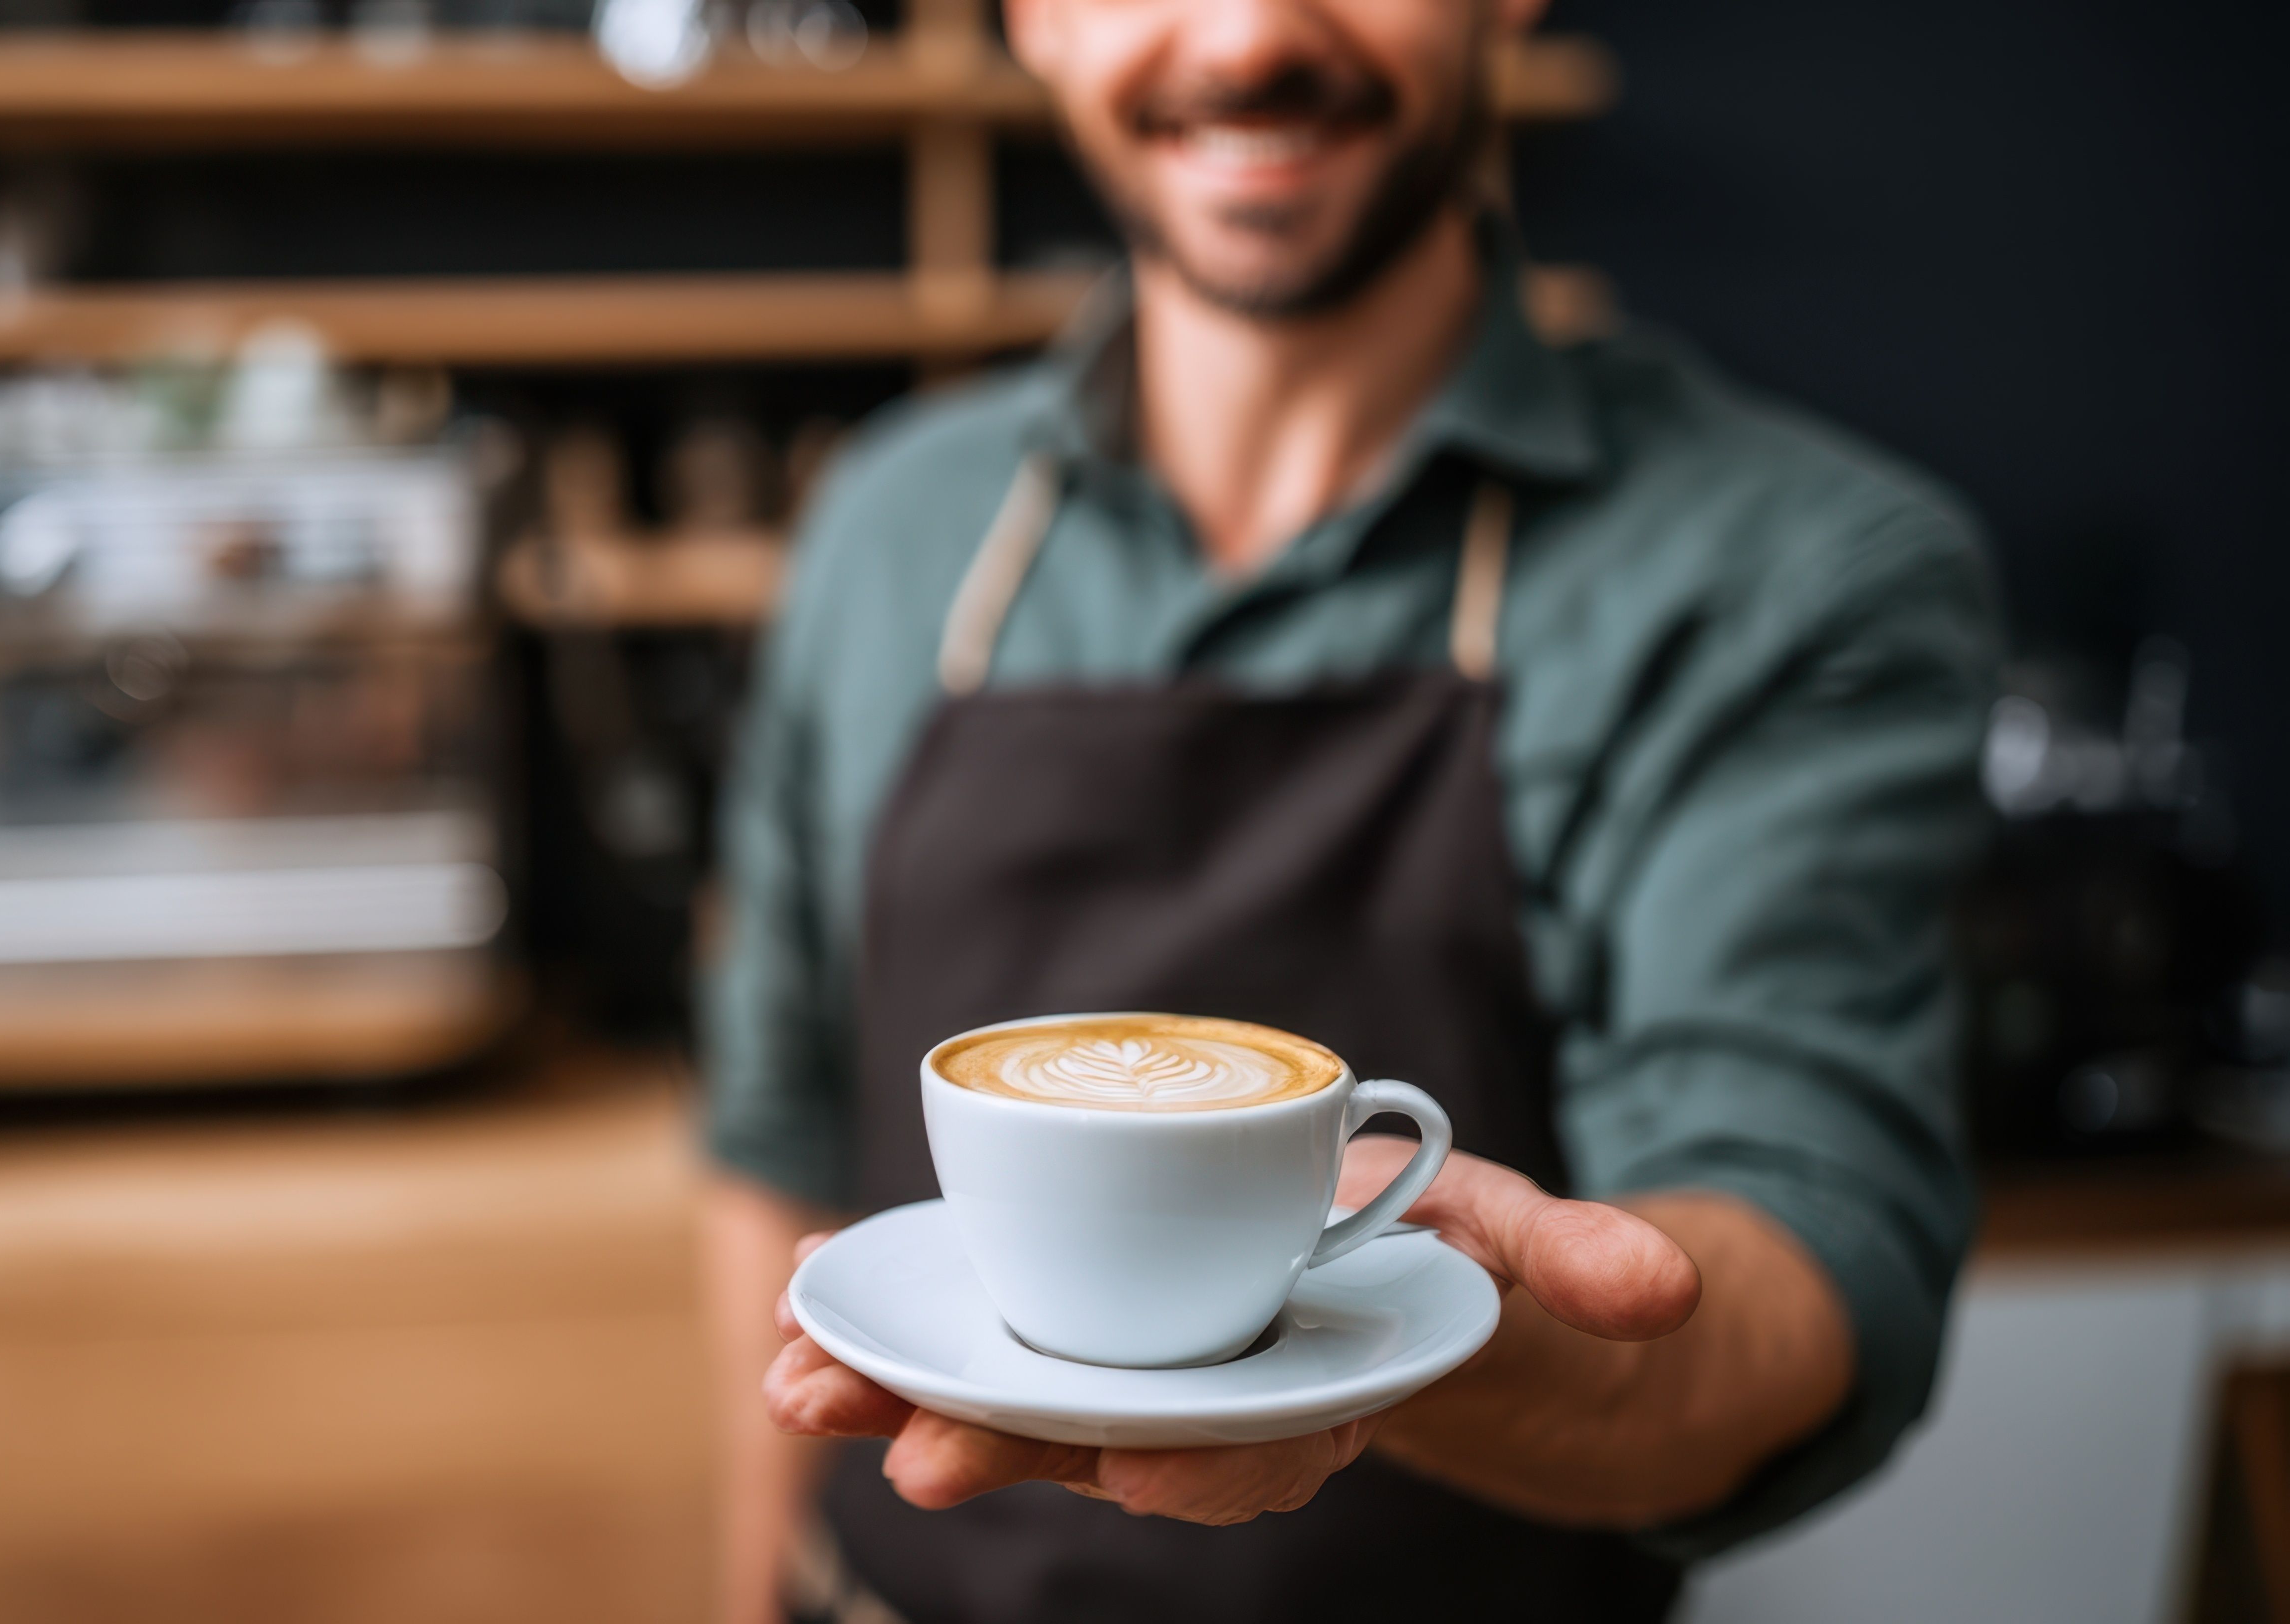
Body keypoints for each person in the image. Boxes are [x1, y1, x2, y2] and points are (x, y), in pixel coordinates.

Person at [699, 0, 1998, 1617]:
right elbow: (776, 1149)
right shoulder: (890, 524)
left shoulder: (1791, 576)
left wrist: (1414, 1325)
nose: (1248, 38)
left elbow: (1813, 1264)